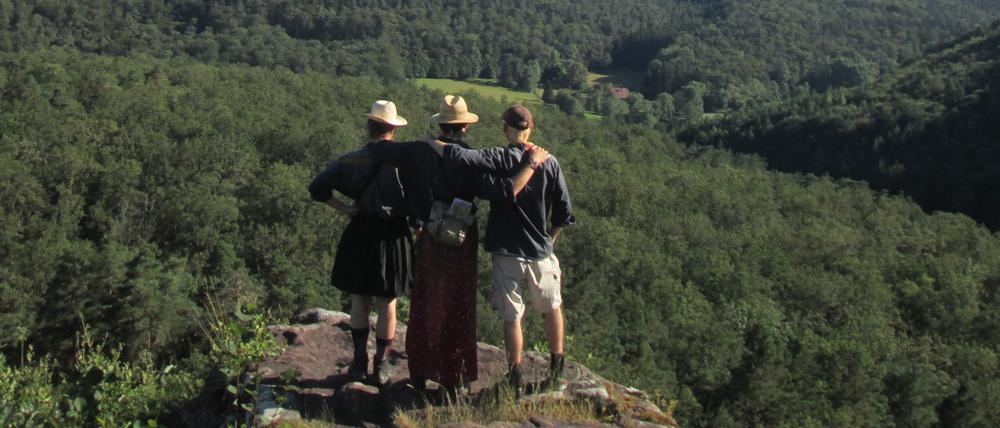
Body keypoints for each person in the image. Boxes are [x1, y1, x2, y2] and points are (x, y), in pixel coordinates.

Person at [363, 95, 550, 391]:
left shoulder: (419, 151)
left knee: (425, 299)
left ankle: (419, 370)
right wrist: (530, 164)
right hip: (461, 239)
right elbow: (506, 191)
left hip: (428, 234)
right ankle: (453, 377)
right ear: (464, 127)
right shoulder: (471, 160)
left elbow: (381, 152)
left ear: (441, 124)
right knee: (457, 305)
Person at [428, 105, 574, 388]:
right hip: (540, 252)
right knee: (552, 309)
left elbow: (461, 156)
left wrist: (430, 142)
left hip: (507, 251)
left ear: (505, 128)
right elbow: (564, 213)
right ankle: (557, 371)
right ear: (531, 128)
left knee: (512, 317)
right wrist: (548, 242)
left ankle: (514, 376)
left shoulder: (499, 157)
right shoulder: (550, 162)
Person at [307, 100, 413, 384]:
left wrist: (345, 209)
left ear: (370, 127)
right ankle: (381, 365)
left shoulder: (351, 159)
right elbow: (419, 197)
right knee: (387, 301)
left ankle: (358, 363)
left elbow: (317, 188)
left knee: (359, 298)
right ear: (393, 128)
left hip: (361, 229)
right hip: (393, 233)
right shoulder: (407, 159)